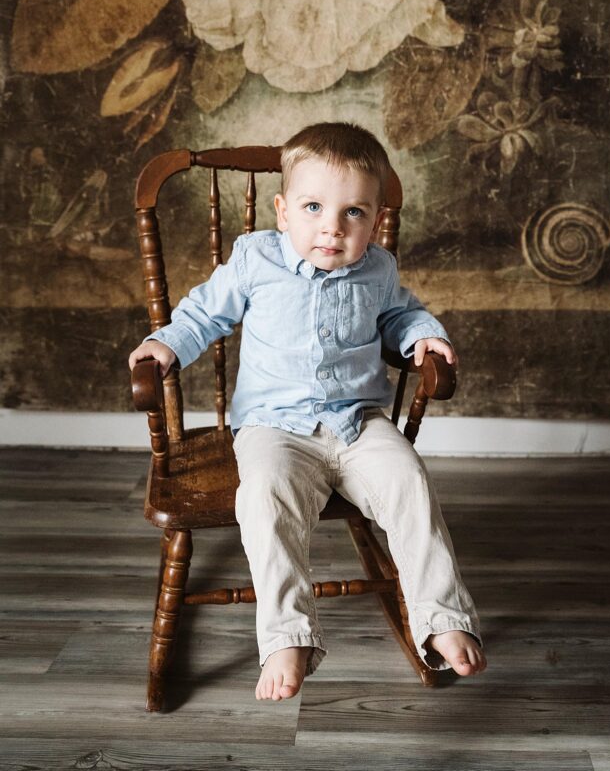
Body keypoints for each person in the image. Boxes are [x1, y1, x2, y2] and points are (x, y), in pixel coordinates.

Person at [129, 122, 486, 701]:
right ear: (283, 211)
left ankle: (442, 618)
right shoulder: (255, 259)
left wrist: (423, 337)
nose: (332, 227)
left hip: (358, 422)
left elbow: (401, 317)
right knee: (265, 496)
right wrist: (167, 343)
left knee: (409, 485)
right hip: (275, 427)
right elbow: (204, 315)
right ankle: (287, 635)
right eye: (315, 207)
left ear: (373, 220)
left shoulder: (378, 269)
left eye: (354, 213)